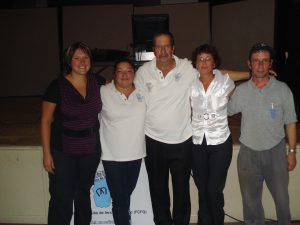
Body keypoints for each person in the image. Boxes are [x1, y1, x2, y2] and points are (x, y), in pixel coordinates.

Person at [134, 31, 249, 225]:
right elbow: (131, 91)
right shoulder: (143, 72)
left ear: (173, 48)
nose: (163, 51)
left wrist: (253, 72)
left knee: (182, 189)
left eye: (166, 46)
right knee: (157, 188)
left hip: (183, 139)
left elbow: (220, 73)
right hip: (153, 139)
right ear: (153, 50)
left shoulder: (187, 67)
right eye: (158, 47)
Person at [228, 43, 297, 225]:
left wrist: (291, 152)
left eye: (264, 61)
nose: (260, 65)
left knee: (282, 200)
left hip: (275, 153)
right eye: (256, 61)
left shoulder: (283, 90)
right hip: (248, 154)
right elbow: (217, 78)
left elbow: (290, 122)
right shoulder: (241, 91)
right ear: (249, 64)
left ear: (270, 64)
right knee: (251, 203)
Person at [40, 41, 105, 225]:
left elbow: (121, 89)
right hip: (63, 152)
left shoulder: (98, 82)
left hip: (90, 150)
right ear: (69, 61)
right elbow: (45, 121)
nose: (82, 62)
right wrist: (47, 153)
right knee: (62, 197)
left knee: (83, 194)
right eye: (76, 58)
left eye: (85, 57)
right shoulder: (57, 86)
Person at [190, 44, 235, 225]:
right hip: (196, 142)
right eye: (200, 59)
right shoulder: (189, 82)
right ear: (195, 63)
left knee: (213, 190)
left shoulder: (226, 82)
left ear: (215, 62)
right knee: (202, 189)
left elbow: (241, 78)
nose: (204, 62)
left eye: (208, 59)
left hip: (220, 142)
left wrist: (252, 73)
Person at [99, 59, 147, 225]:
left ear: (134, 74)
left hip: (136, 154)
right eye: (120, 71)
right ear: (114, 75)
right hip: (112, 157)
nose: (125, 74)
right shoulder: (103, 91)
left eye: (128, 71)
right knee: (120, 199)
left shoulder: (143, 92)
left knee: (125, 196)